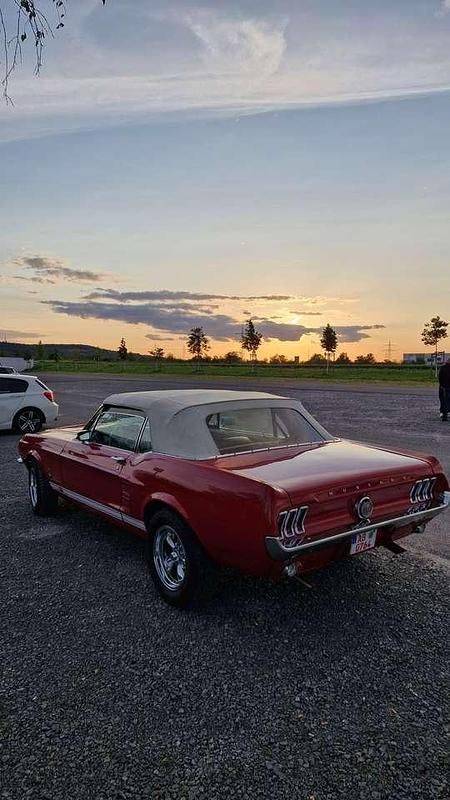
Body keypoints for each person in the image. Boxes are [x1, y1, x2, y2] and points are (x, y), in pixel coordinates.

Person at [438, 357, 450, 421]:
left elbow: (440, 377)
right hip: (447, 387)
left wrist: (441, 385)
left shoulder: (442, 368)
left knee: (443, 400)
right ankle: (446, 413)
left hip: (443, 387)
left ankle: (443, 413)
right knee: (448, 401)